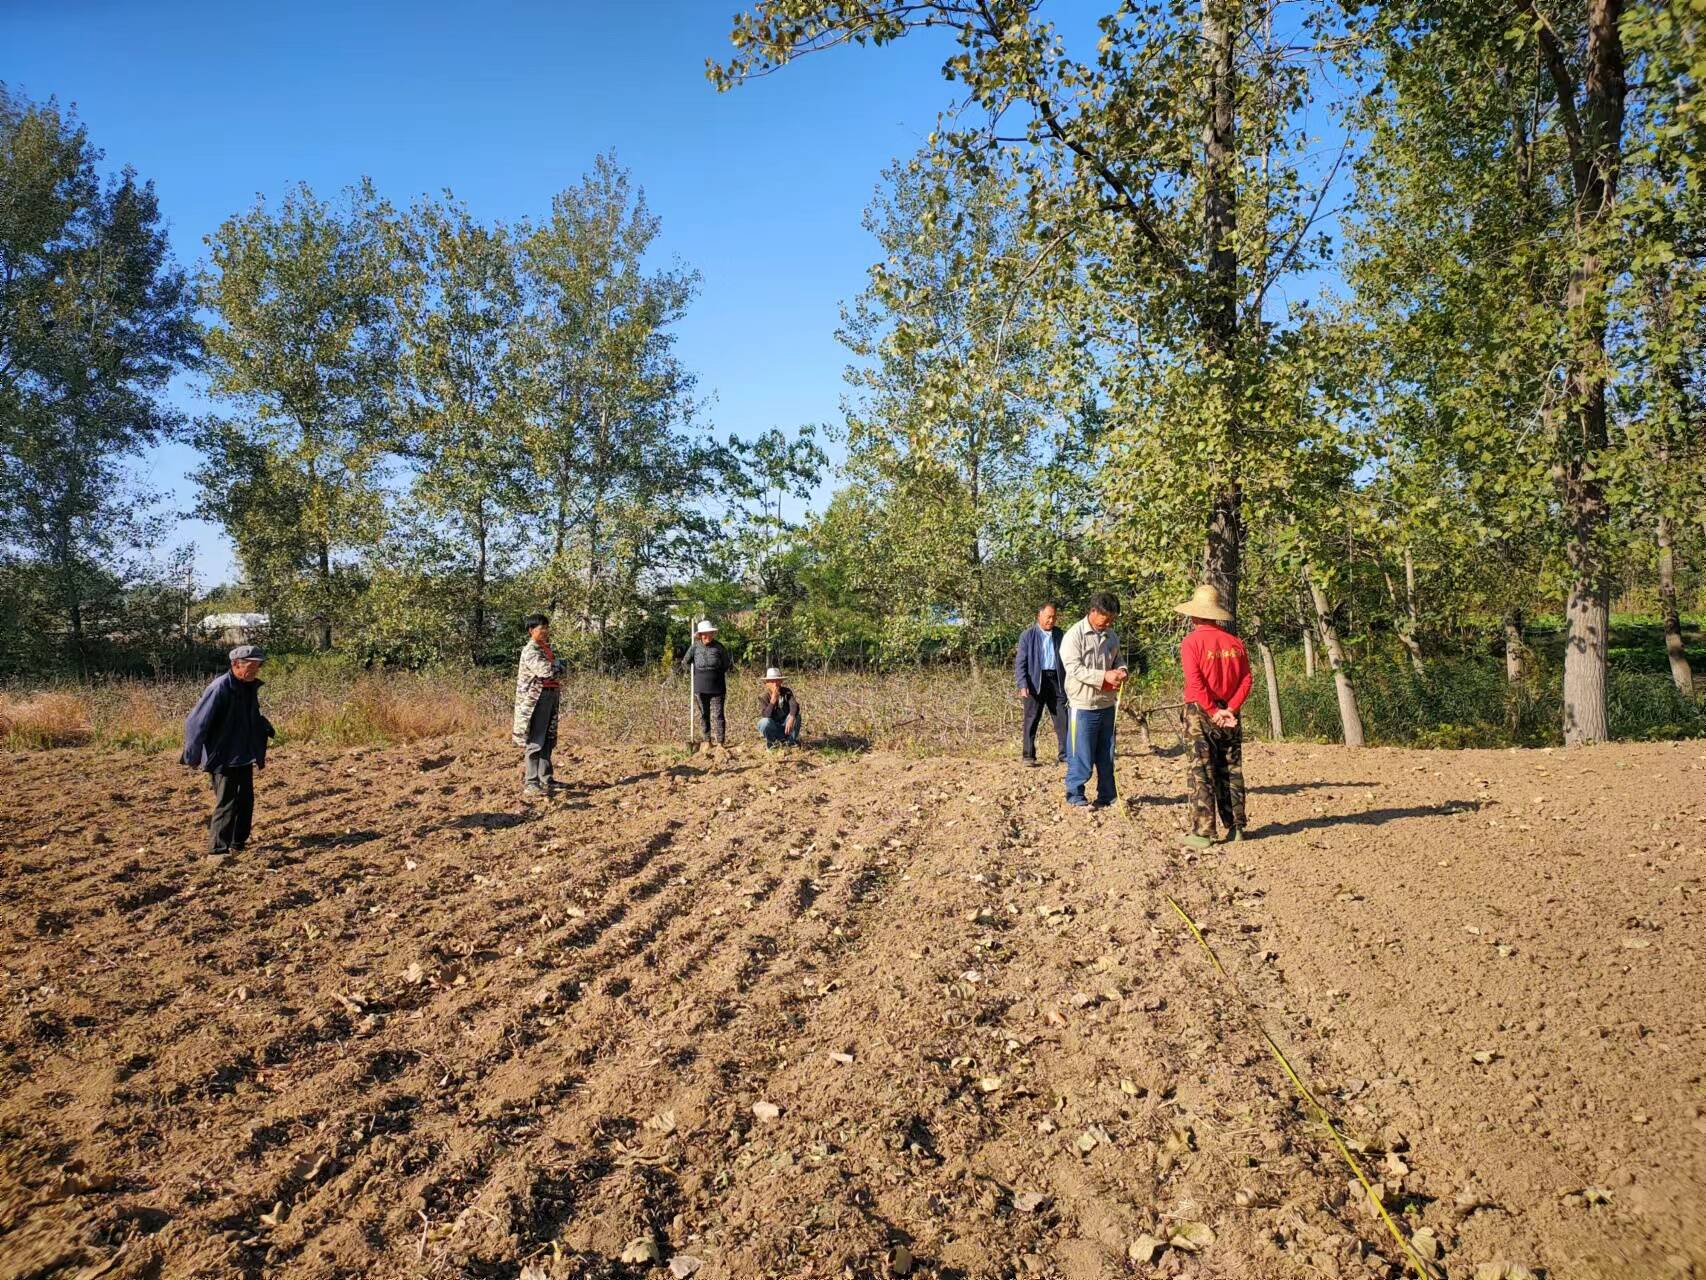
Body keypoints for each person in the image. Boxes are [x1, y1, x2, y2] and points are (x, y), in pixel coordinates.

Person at [1174, 584, 1252, 847]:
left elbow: (1195, 684)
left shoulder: (1191, 643)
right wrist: (1230, 708)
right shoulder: (1235, 643)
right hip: (1230, 714)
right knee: (1231, 770)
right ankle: (1237, 827)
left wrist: (1213, 711)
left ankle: (1203, 832)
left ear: (1194, 615)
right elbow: (1247, 679)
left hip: (1201, 713)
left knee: (1201, 772)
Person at [181, 644, 275, 853]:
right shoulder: (220, 687)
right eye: (252, 666)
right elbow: (195, 723)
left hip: (242, 752)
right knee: (227, 803)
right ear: (236, 664)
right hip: (223, 755)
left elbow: (245, 717)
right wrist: (192, 756)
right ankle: (218, 850)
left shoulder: (247, 686)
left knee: (246, 801)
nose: (256, 670)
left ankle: (237, 843)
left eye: (258, 666)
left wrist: (262, 726)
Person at [1060, 591, 1129, 808]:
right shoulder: (1074, 635)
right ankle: (1075, 795)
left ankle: (1107, 795)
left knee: (1106, 754)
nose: (1108, 623)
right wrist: (1103, 676)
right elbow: (1074, 668)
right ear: (1093, 611)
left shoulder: (1111, 635)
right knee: (1080, 754)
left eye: (1112, 620)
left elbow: (1119, 659)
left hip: (1107, 704)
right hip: (1083, 704)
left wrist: (1121, 670)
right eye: (1105, 618)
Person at [512, 614, 566, 797]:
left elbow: (558, 671)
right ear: (531, 631)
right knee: (536, 740)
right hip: (537, 699)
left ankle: (546, 779)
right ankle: (531, 782)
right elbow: (545, 671)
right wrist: (558, 666)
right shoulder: (531, 650)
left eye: (546, 627)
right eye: (540, 628)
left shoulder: (545, 649)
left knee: (548, 739)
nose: (544, 631)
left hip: (550, 695)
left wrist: (557, 667)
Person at [1014, 601, 1068, 766]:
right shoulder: (1027, 635)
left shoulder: (1060, 634)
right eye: (1048, 617)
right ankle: (1028, 755)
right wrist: (1022, 684)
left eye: (1054, 617)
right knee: (1031, 719)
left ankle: (1065, 754)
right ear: (1039, 616)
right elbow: (1020, 662)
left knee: (1062, 718)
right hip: (1035, 681)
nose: (1051, 620)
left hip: (1056, 680)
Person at [679, 619, 733, 747]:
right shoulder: (695, 647)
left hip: (718, 686)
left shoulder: (719, 647)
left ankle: (720, 742)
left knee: (719, 714)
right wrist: (695, 674)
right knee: (704, 715)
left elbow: (726, 664)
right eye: (704, 634)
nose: (707, 636)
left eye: (709, 633)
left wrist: (716, 674)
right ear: (700, 635)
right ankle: (707, 741)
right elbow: (685, 662)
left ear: (713, 634)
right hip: (700, 686)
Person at [756, 667, 802, 748]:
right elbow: (766, 715)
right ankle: (772, 743)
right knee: (764, 722)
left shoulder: (786, 691)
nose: (775, 684)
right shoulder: (763, 696)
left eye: (777, 680)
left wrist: (791, 717)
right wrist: (772, 701)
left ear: (781, 681)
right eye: (772, 681)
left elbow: (794, 705)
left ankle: (790, 742)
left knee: (796, 716)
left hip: (786, 726)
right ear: (767, 683)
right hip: (774, 728)